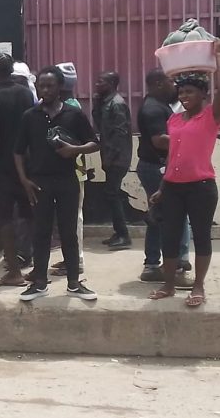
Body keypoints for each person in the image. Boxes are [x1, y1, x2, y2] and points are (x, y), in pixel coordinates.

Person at [14, 66, 100, 301]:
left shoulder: (73, 115)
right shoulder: (29, 116)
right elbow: (18, 152)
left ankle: (74, 283)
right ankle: (39, 282)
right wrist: (24, 180)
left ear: (60, 87)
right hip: (39, 182)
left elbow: (94, 142)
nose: (46, 90)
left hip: (67, 181)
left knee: (68, 232)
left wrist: (76, 150)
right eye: (42, 85)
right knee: (40, 232)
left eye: (50, 85)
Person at [148, 61, 220, 307]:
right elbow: (173, 154)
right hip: (173, 187)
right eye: (181, 92)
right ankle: (168, 284)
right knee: (169, 236)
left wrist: (217, 60)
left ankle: (198, 286)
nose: (184, 96)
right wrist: (161, 187)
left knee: (200, 236)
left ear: (203, 93)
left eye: (190, 91)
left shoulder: (211, 116)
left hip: (201, 187)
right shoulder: (175, 120)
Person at [0, 53, 35, 287]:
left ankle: (14, 271)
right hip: (28, 162)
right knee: (29, 214)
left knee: (4, 219)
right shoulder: (25, 93)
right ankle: (37, 266)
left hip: (4, 166)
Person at [136, 69, 193, 284]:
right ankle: (177, 267)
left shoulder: (157, 105)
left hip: (155, 166)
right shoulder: (153, 109)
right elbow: (159, 140)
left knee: (158, 215)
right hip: (156, 168)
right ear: (159, 83)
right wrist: (189, 137)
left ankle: (152, 266)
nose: (175, 86)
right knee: (175, 215)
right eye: (171, 82)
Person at [51, 62, 86, 275]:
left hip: (73, 171)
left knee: (74, 217)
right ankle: (69, 257)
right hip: (73, 170)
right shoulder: (71, 104)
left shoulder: (69, 108)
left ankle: (76, 259)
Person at [93, 71, 133, 250]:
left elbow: (120, 134)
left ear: (110, 84)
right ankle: (119, 232)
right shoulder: (106, 103)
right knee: (111, 194)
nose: (97, 84)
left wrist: (111, 157)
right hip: (111, 156)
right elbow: (98, 123)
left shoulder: (116, 104)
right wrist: (96, 103)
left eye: (101, 82)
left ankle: (123, 235)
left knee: (113, 194)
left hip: (117, 158)